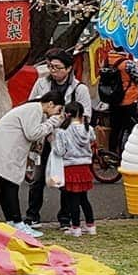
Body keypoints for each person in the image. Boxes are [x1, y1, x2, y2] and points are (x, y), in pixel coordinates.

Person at [0, 90, 66, 233]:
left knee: (6, 186)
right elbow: (33, 133)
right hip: (7, 150)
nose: (57, 113)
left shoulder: (32, 108)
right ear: (51, 104)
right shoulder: (34, 110)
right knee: (11, 186)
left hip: (4, 148)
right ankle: (18, 223)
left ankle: (11, 221)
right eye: (58, 109)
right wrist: (52, 123)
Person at [24, 49, 92, 227]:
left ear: (69, 68)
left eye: (57, 67)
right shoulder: (41, 83)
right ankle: (32, 215)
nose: (53, 71)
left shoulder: (79, 89)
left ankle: (65, 217)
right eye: (50, 67)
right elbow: (32, 106)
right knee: (37, 179)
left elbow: (86, 116)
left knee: (67, 180)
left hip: (67, 142)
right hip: (44, 137)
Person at [52, 101, 96, 237]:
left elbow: (59, 151)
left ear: (66, 114)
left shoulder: (62, 131)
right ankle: (91, 225)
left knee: (72, 200)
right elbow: (93, 140)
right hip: (85, 167)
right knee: (84, 198)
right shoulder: (89, 129)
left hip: (70, 168)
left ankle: (75, 227)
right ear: (82, 114)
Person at [99, 44, 138, 154]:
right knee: (129, 127)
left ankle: (112, 152)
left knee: (115, 127)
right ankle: (126, 152)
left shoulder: (107, 60)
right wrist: (137, 65)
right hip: (128, 99)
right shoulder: (128, 64)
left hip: (113, 99)